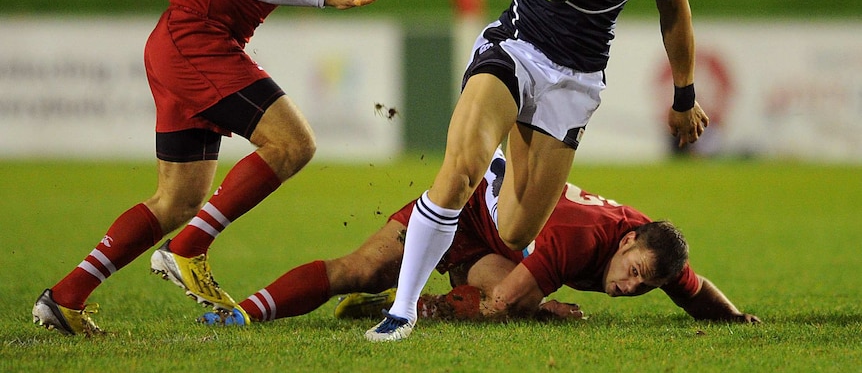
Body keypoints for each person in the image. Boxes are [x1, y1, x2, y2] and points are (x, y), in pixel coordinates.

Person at [32, 0, 482, 337]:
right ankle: (189, 248)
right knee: (294, 144)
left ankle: (66, 297)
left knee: (177, 199)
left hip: (192, 47)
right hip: (196, 42)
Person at [365, 0, 711, 341]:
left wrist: (685, 96)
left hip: (575, 82)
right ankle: (400, 311)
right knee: (459, 170)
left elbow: (676, 14)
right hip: (517, 51)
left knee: (516, 226)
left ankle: (493, 185)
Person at [196, 152, 758, 327]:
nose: (632, 288)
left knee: (530, 303)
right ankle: (243, 314)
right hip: (461, 203)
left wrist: (732, 321)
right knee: (363, 267)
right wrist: (536, 311)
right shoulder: (579, 240)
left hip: (499, 240)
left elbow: (695, 289)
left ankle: (409, 301)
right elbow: (497, 301)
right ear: (626, 239)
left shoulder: (653, 252)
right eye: (633, 273)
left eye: (645, 286)